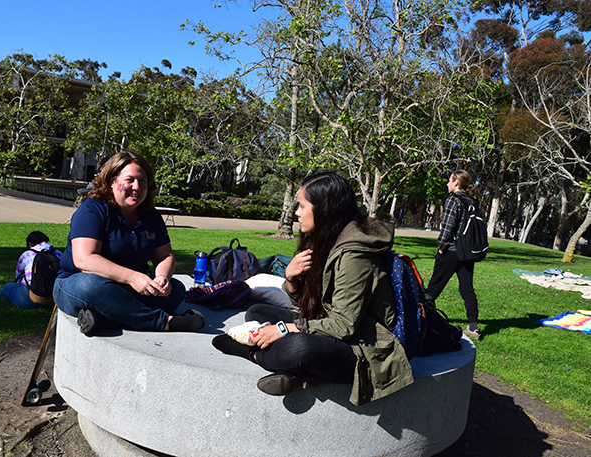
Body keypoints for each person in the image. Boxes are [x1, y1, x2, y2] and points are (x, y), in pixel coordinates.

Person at [212, 172, 413, 405]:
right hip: (328, 326)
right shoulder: (326, 238)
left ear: (324, 209)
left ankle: (253, 354)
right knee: (259, 312)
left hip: (363, 348)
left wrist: (284, 330)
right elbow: (308, 305)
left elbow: (344, 325)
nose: (296, 213)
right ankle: (296, 373)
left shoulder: (354, 256)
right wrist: (291, 279)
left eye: (302, 206)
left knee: (299, 348)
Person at [53, 151, 205, 334]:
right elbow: (84, 260)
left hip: (127, 288)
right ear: (111, 182)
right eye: (130, 180)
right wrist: (133, 277)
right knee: (91, 286)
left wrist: (162, 277)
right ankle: (162, 322)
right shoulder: (92, 210)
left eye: (142, 181)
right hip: (77, 284)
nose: (137, 187)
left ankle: (106, 320)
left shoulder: (151, 215)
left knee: (177, 290)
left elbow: (165, 255)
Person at [425, 170, 482, 340]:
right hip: (467, 253)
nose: (447, 184)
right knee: (467, 289)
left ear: (456, 183)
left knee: (433, 288)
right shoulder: (473, 202)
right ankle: (473, 327)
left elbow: (447, 226)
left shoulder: (453, 200)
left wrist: (441, 245)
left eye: (450, 181)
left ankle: (424, 320)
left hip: (450, 251)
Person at [0, 231, 62, 310]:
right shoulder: (58, 253)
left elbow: (18, 277)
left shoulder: (27, 255)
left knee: (9, 287)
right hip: (55, 299)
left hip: (32, 299)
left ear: (30, 244)